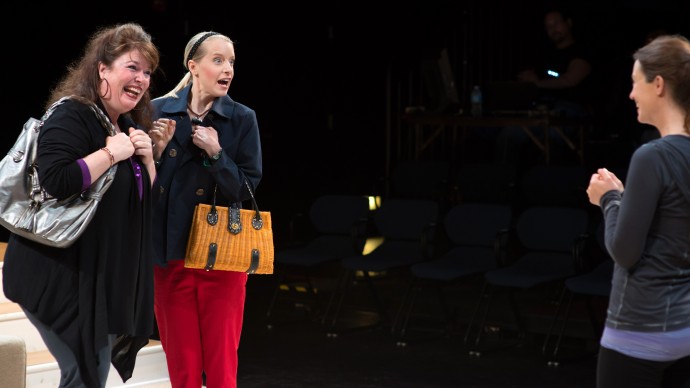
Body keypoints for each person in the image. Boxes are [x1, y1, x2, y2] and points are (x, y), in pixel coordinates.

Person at [1, 23, 160, 387]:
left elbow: (140, 204)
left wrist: (148, 161)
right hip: (55, 272)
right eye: (132, 67)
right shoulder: (73, 114)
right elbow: (56, 180)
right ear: (102, 69)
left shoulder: (123, 126)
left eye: (147, 72)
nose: (141, 78)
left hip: (94, 278)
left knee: (89, 373)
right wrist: (109, 153)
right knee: (86, 373)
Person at [148, 31, 263, 387]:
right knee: (182, 367)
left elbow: (245, 189)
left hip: (221, 255)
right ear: (193, 66)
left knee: (221, 367)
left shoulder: (242, 119)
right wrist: (153, 153)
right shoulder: (156, 112)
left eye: (231, 62)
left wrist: (217, 154)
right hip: (170, 255)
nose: (227, 69)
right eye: (218, 60)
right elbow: (135, 189)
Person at [586, 34, 690, 388]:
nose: (631, 94)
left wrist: (609, 198)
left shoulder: (652, 155)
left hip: (638, 333)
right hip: (684, 330)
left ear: (658, 84)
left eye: (635, 82)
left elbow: (625, 252)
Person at [496, 6, 594, 168]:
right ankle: (505, 184)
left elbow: (570, 80)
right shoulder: (545, 54)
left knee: (552, 138)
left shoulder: (582, 52)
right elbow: (535, 77)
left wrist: (536, 84)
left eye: (556, 23)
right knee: (509, 134)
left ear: (568, 23)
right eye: (548, 26)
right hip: (541, 111)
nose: (553, 29)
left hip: (571, 113)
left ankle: (550, 186)